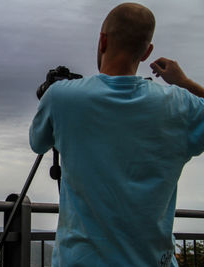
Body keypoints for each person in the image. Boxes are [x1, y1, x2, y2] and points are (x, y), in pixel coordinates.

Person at [29, 3, 204, 267]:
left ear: (102, 41)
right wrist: (186, 83)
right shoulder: (181, 106)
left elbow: (37, 143)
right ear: (147, 52)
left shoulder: (62, 96)